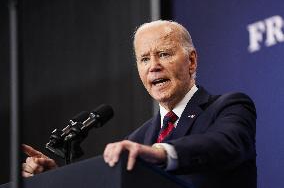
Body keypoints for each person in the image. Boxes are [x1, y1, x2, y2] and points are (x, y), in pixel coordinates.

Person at [22, 20, 257, 188]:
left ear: (191, 61)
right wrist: (56, 181)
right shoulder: (136, 139)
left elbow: (225, 144)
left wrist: (160, 153)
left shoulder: (229, 106)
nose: (153, 65)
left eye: (164, 54)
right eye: (144, 59)